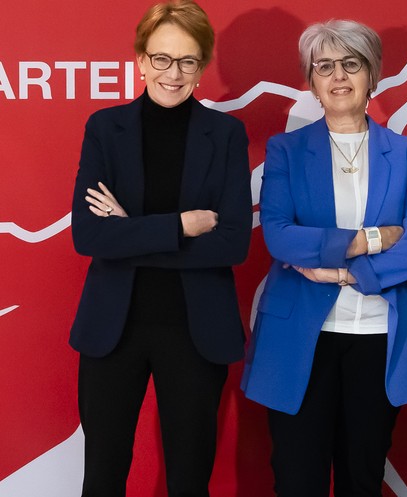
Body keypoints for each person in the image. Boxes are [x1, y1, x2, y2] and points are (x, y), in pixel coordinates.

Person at [240, 19, 407, 497]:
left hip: (378, 335)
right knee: (296, 479)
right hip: (299, 336)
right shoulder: (286, 150)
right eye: (324, 67)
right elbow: (281, 237)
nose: (338, 76)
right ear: (312, 82)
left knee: (361, 478)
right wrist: (370, 240)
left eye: (351, 64)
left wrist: (349, 274)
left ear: (372, 75)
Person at [69, 1, 252, 496]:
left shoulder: (226, 135)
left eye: (188, 60)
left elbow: (232, 243)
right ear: (141, 60)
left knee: (189, 481)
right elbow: (90, 236)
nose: (174, 73)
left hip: (196, 333)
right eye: (162, 58)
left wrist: (131, 231)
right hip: (113, 329)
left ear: (202, 65)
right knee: (102, 477)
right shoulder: (105, 129)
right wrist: (181, 225)